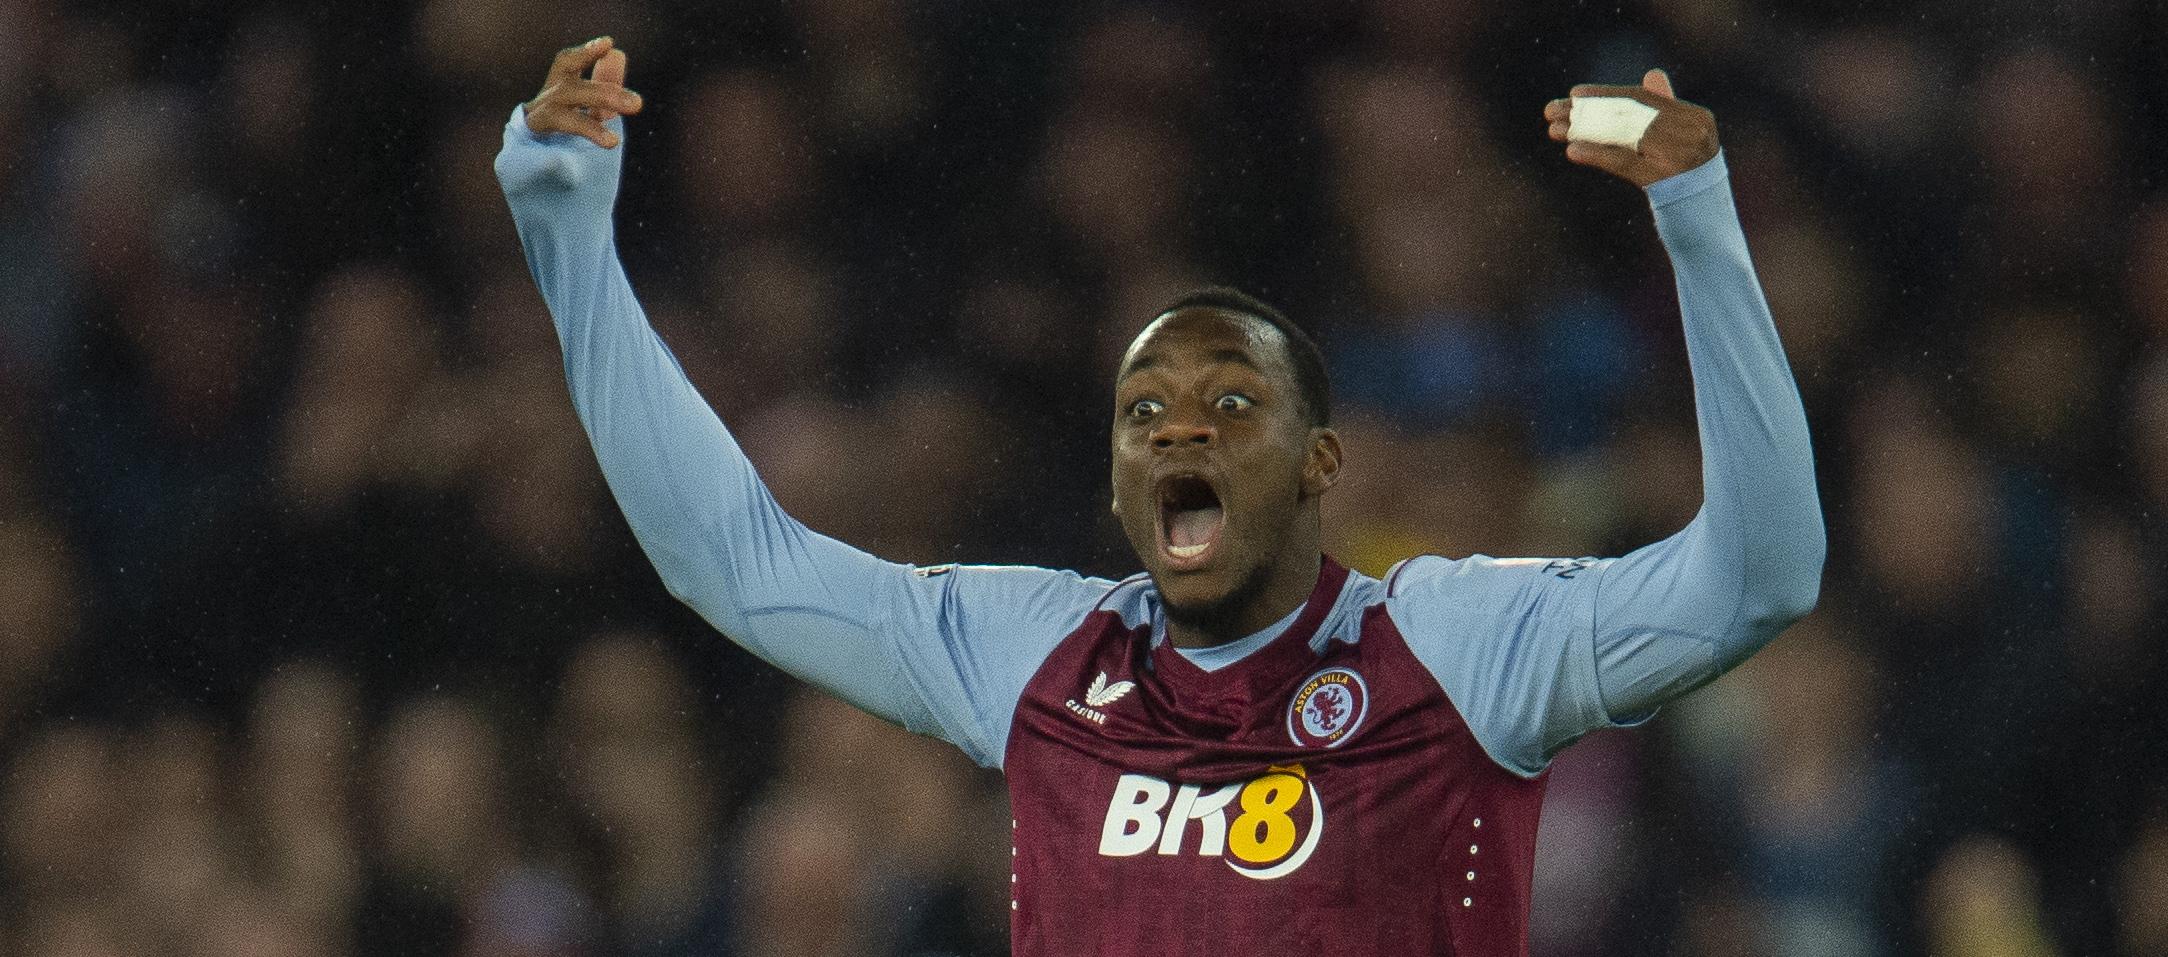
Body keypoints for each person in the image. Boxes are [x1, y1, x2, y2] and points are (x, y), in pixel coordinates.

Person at [496, 36, 1823, 957]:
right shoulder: (1038, 654)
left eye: (1231, 405)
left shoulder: (1458, 644)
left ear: (1319, 464)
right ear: (1119, 484)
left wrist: (1700, 222)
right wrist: (568, 237)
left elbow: (1759, 580)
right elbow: (733, 562)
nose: (1179, 427)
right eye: (1145, 413)